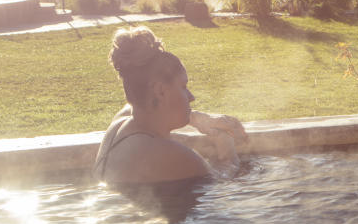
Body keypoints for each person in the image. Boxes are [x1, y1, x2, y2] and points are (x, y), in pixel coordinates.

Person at [94, 26, 246, 185]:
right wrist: (225, 144)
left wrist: (200, 118)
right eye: (183, 87)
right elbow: (222, 179)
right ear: (160, 91)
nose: (191, 97)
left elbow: (139, 104)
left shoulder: (120, 123)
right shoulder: (168, 154)